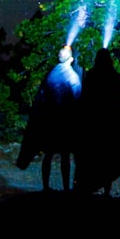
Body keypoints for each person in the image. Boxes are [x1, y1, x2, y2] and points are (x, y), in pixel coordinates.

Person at [16, 45, 83, 192]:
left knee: (49, 154)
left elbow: (40, 98)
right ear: (71, 59)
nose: (61, 52)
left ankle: (46, 187)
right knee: (64, 155)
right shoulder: (72, 77)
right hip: (64, 124)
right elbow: (78, 101)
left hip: (50, 122)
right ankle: (65, 188)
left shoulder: (50, 74)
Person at [74, 48, 120, 196]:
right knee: (109, 155)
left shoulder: (92, 76)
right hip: (110, 122)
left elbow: (85, 98)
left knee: (92, 155)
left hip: (93, 122)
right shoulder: (114, 76)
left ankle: (86, 188)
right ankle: (107, 189)